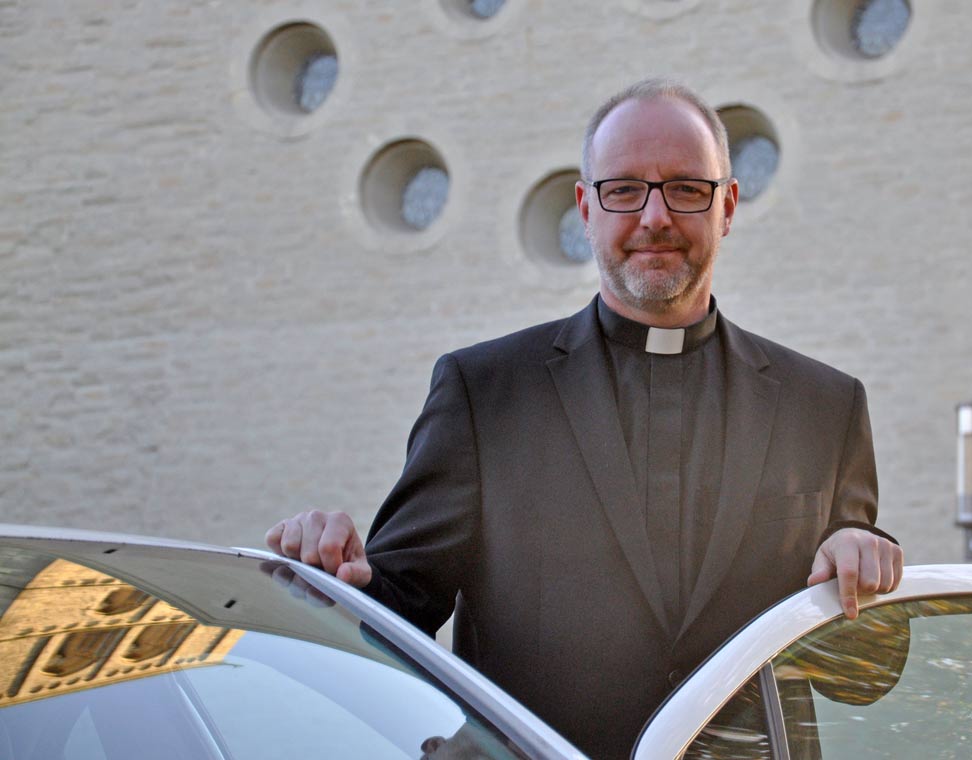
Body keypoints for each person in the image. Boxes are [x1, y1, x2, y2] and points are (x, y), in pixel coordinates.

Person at [266, 78, 903, 759]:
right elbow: (392, 617)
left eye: (686, 189)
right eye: (623, 190)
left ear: (727, 207)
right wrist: (329, 569)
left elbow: (861, 677)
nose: (654, 217)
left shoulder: (823, 407)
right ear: (585, 208)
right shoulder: (484, 393)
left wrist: (868, 570)